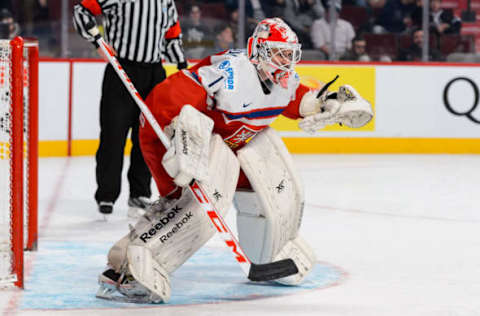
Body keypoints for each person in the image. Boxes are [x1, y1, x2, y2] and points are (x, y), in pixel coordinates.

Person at [95, 18, 373, 303]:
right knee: (197, 205)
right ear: (257, 50)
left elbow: (302, 100)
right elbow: (171, 97)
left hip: (230, 144)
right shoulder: (232, 73)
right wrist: (183, 139)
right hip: (179, 135)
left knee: (274, 170)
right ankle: (128, 267)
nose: (286, 61)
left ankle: (272, 250)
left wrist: (328, 102)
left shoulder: (284, 81)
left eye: (290, 54)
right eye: (278, 53)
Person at [72, 0, 187, 217]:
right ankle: (106, 194)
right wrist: (98, 41)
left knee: (147, 136)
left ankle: (139, 192)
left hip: (154, 74)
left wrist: (182, 65)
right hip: (121, 69)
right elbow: (81, 10)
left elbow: (172, 34)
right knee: (113, 135)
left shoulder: (166, 2)